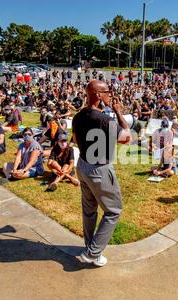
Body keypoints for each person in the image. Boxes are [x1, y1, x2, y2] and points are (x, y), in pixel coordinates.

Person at [72, 80, 132, 267]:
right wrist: (118, 111)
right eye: (107, 91)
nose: (110, 94)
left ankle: (91, 248)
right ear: (98, 95)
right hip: (99, 170)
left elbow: (74, 139)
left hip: (82, 165)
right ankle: (93, 253)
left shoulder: (78, 116)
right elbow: (127, 137)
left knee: (89, 210)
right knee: (113, 211)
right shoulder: (106, 120)